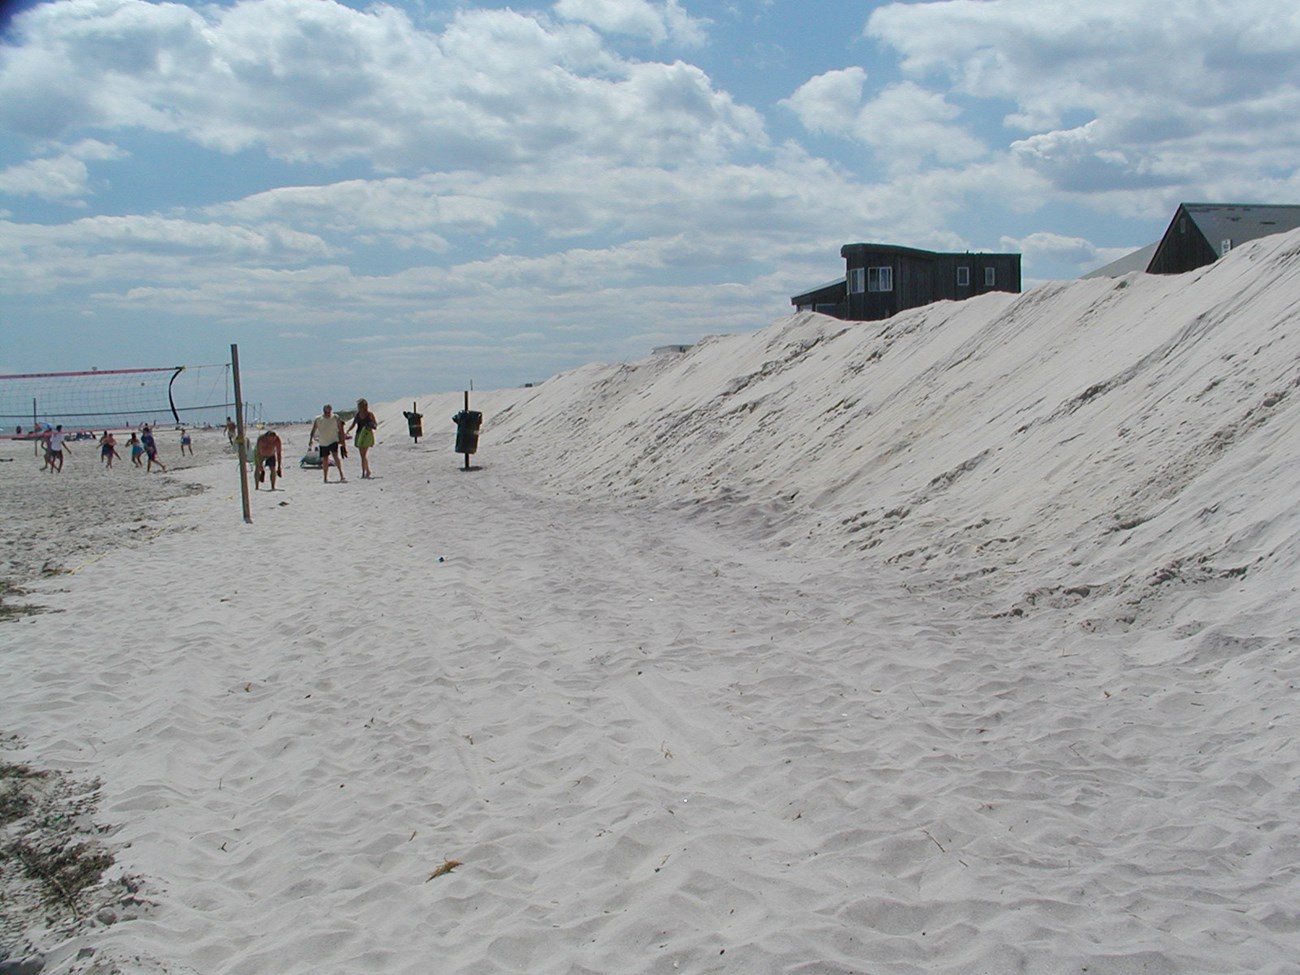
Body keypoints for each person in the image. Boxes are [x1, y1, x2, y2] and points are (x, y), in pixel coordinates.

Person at [308, 404, 347, 483]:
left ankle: (341, 475)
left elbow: (341, 429)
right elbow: (313, 430)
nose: (328, 414)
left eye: (329, 412)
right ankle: (325, 477)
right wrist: (310, 439)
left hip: (333, 440)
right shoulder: (318, 419)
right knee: (325, 459)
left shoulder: (335, 417)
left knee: (335, 456)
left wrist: (342, 441)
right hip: (323, 442)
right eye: (326, 412)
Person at [347, 398, 378, 479]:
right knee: (362, 455)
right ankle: (367, 471)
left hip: (367, 435)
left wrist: (371, 425)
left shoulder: (370, 414)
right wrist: (347, 431)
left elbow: (375, 425)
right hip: (359, 435)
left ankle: (364, 472)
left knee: (363, 454)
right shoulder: (358, 415)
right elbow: (353, 424)